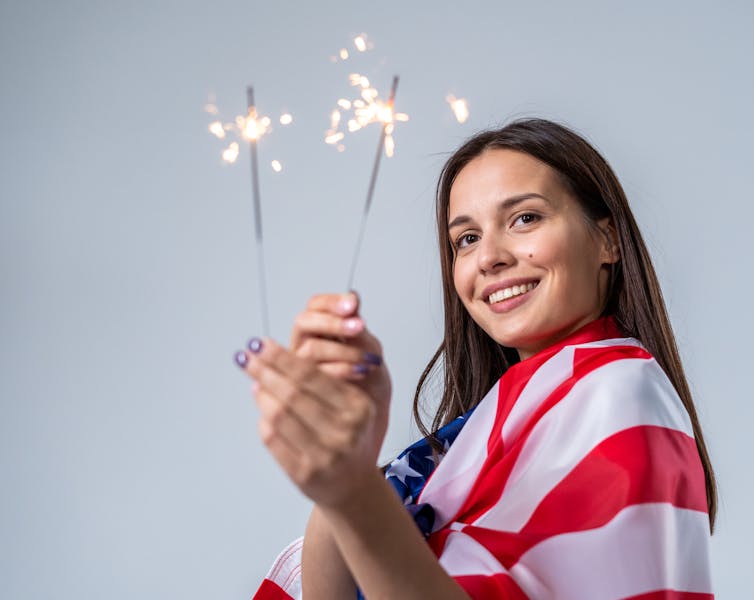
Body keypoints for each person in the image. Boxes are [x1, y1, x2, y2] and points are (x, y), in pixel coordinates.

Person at [235, 118, 717, 599]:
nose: (489, 257)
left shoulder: (616, 395)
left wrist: (355, 491)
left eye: (525, 218)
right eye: (466, 239)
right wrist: (342, 478)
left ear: (607, 239)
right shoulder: (475, 437)